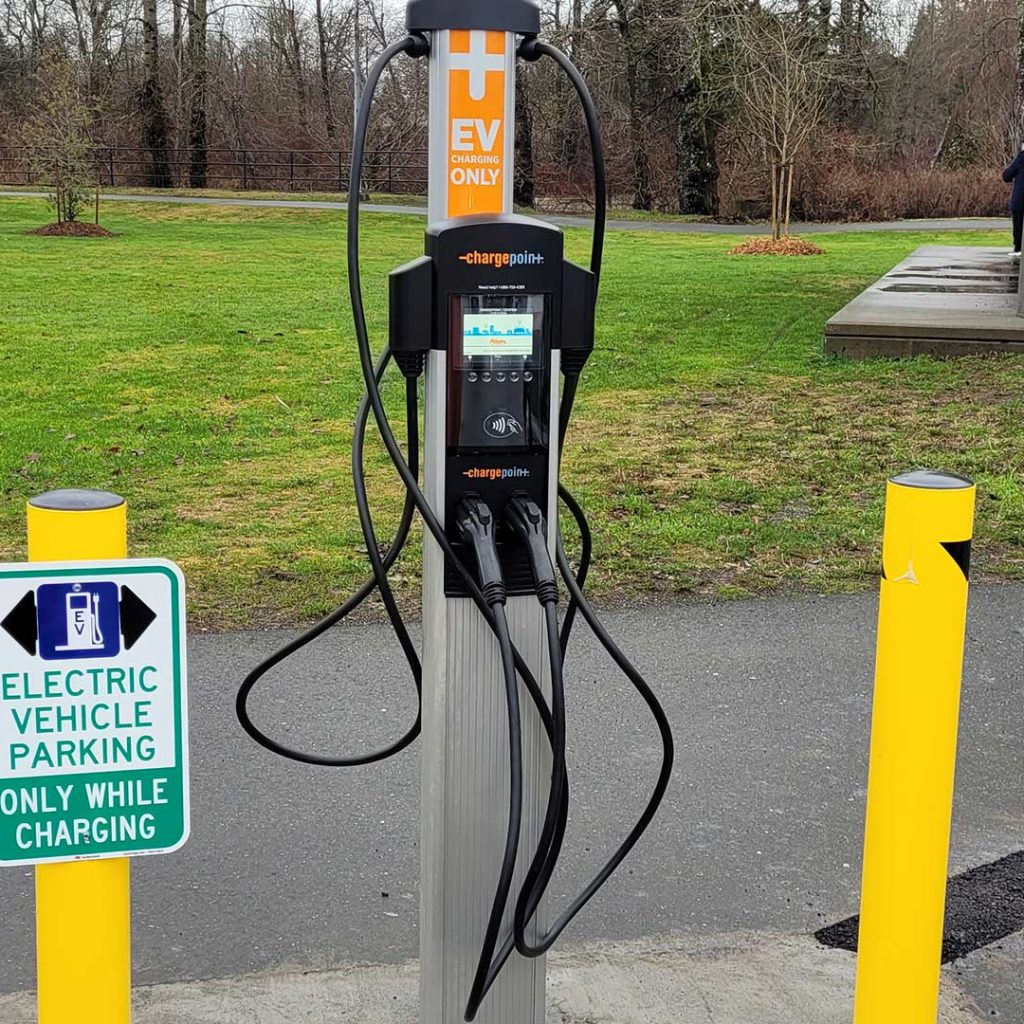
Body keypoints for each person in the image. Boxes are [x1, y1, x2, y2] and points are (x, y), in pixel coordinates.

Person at [1001, 144, 1024, 257]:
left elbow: (1006, 176)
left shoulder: (1021, 159)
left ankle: (1018, 247)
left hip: (1020, 199)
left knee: (1018, 224)